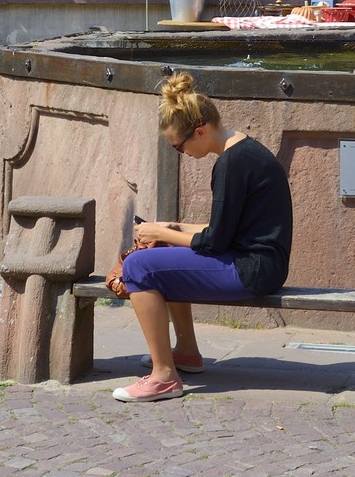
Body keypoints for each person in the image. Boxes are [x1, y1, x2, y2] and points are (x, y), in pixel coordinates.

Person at [109, 71, 293, 404]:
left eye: (179, 146)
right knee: (163, 252)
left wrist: (161, 232)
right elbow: (223, 230)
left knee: (139, 267)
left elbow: (215, 242)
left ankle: (164, 377)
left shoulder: (230, 165)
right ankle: (188, 354)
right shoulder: (244, 151)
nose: (180, 152)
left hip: (252, 269)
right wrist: (171, 229)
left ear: (200, 131)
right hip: (261, 263)